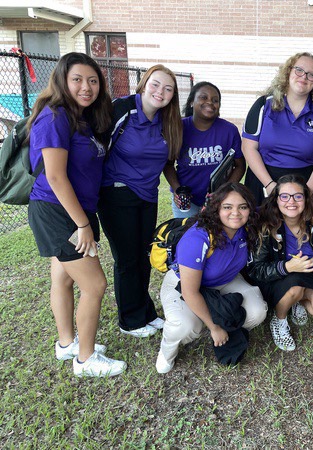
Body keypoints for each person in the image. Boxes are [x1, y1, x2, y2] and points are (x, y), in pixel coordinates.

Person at [27, 52, 126, 377]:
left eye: (93, 80)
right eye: (78, 79)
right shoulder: (54, 117)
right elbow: (55, 177)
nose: (86, 87)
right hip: (59, 212)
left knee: (63, 276)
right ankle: (85, 360)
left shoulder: (79, 118)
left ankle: (67, 342)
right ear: (62, 81)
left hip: (72, 210)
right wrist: (82, 224)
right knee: (95, 285)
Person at [98, 64, 183, 338]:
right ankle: (129, 320)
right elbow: (96, 147)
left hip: (147, 196)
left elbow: (168, 162)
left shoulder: (166, 121)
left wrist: (177, 188)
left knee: (142, 256)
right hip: (116, 193)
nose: (160, 92)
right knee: (126, 259)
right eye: (156, 84)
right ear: (144, 83)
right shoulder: (121, 110)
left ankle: (145, 311)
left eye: (168, 89)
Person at [156, 183, 267, 372]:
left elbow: (278, 209)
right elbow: (190, 291)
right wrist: (214, 327)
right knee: (186, 327)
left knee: (257, 311)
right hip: (184, 285)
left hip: (225, 281)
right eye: (227, 207)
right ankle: (167, 350)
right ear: (216, 209)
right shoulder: (198, 237)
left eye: (243, 207)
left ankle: (226, 327)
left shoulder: (245, 229)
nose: (236, 213)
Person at [247, 174, 313, 351]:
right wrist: (287, 267)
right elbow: (256, 269)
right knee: (294, 288)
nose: (291, 201)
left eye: (298, 196)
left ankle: (297, 302)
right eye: (284, 196)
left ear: (306, 199)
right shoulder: (265, 225)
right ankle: (280, 319)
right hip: (281, 278)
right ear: (276, 199)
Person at [241, 52, 313, 206]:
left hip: (304, 186)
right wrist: (270, 186)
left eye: (311, 75)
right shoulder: (263, 106)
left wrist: (304, 194)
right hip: (263, 183)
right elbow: (248, 147)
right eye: (299, 70)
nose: (304, 77)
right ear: (288, 71)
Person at [164, 81, 245, 218]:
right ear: (191, 102)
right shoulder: (179, 128)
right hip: (187, 202)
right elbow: (168, 164)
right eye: (203, 97)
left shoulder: (229, 130)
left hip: (218, 201)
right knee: (188, 237)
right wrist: (178, 190)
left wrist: (225, 191)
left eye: (215, 100)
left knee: (217, 238)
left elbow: (240, 166)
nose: (210, 102)